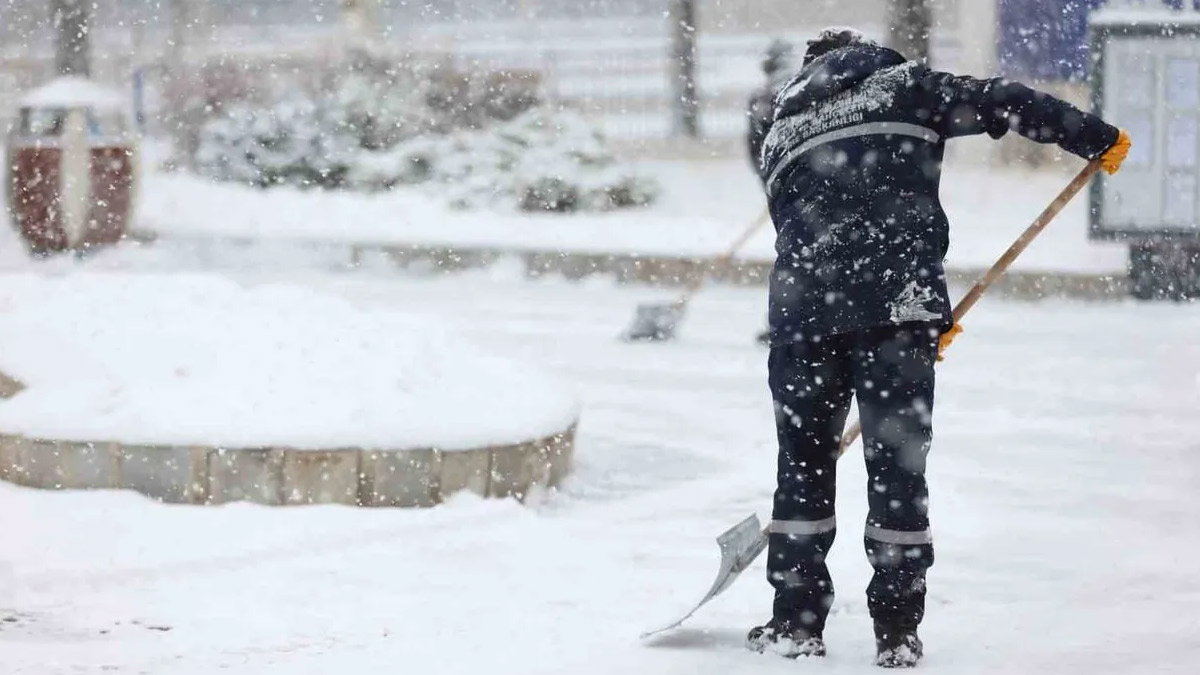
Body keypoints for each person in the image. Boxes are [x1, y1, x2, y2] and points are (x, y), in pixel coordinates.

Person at [746, 27, 1130, 667]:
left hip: (801, 321)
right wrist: (1094, 136)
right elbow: (1005, 100)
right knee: (897, 474)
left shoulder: (781, 133)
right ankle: (896, 632)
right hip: (897, 307)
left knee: (803, 469)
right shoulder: (903, 86)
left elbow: (814, 226)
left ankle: (796, 622)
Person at [748, 39, 798, 346]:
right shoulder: (798, 90)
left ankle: (786, 323)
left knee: (793, 258)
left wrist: (772, 183)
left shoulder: (763, 96)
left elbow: (756, 146)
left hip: (785, 187)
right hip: (802, 186)